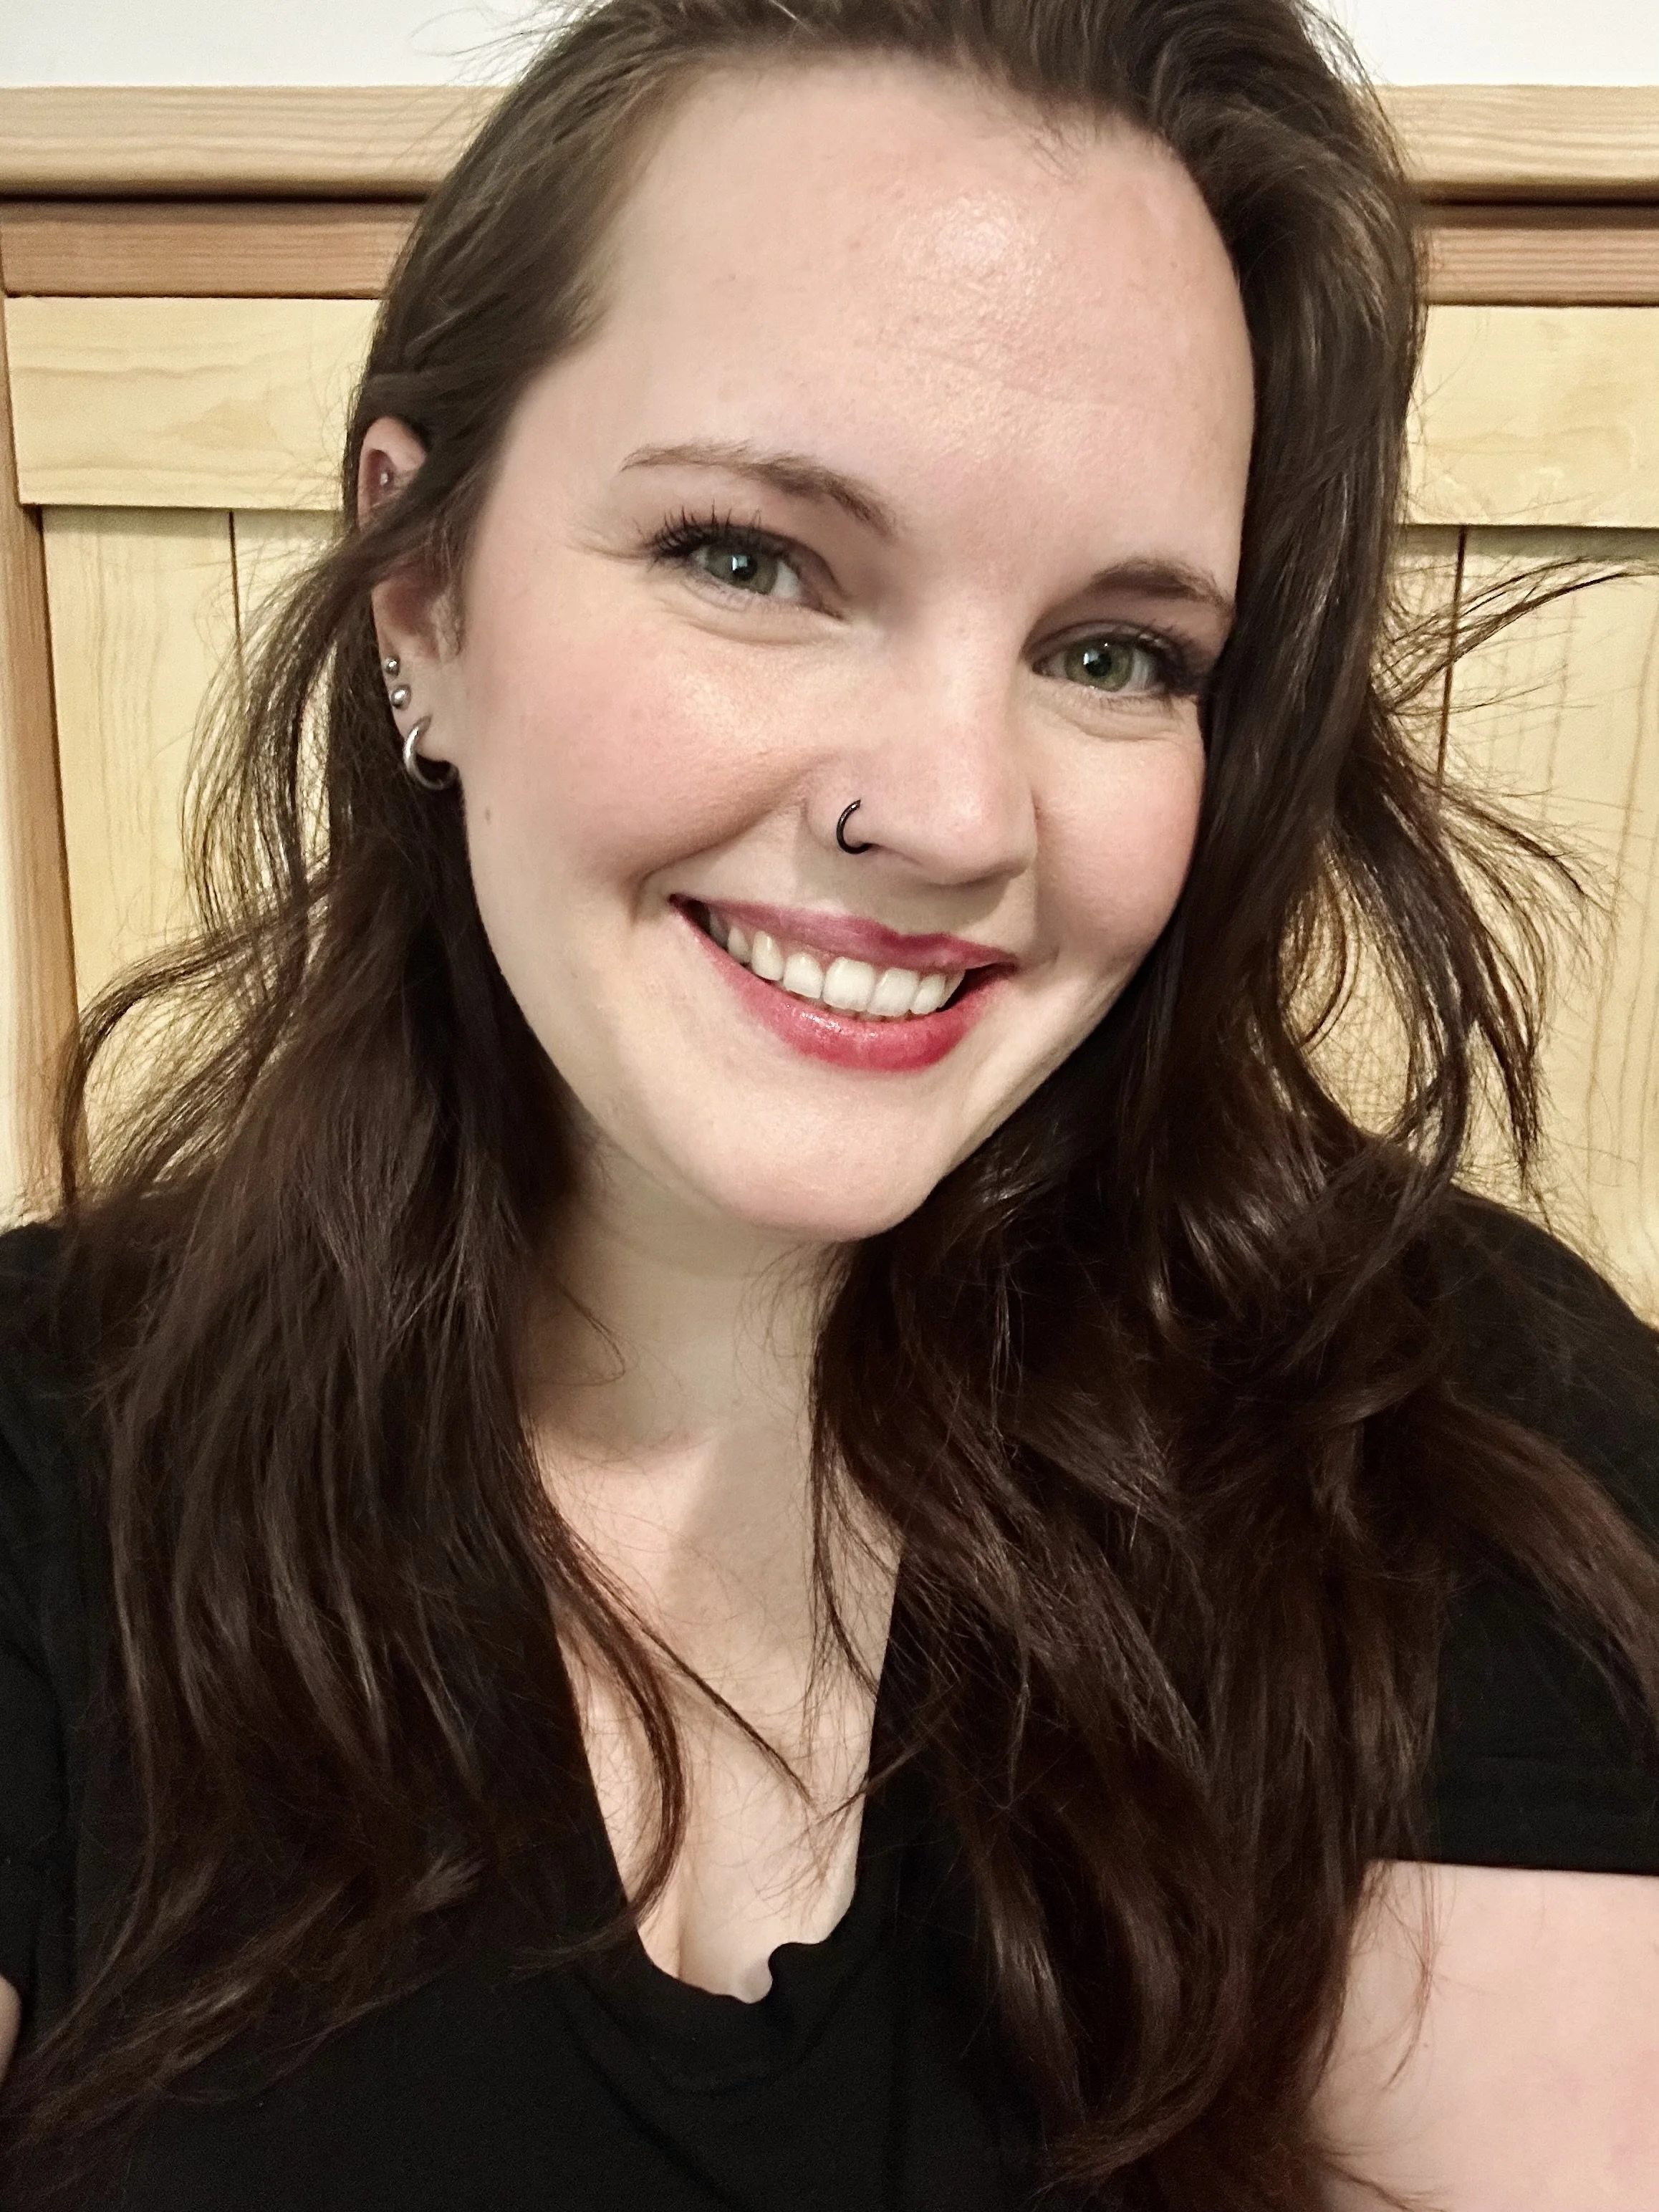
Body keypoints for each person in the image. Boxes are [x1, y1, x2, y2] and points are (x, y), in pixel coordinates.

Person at [1, 0, 1657, 2203]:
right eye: (751, 559)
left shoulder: (1443, 1427)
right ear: (424, 592)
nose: (954, 810)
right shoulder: (43, 1462)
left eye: (1112, 651)